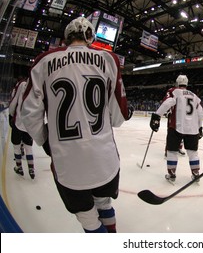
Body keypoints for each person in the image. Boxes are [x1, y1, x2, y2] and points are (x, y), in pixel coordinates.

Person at [21, 16, 133, 233]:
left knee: (88, 218)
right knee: (104, 203)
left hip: (68, 162)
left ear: (66, 38)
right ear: (90, 36)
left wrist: (45, 140)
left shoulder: (44, 61)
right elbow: (118, 117)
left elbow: (29, 112)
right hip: (104, 158)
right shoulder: (108, 59)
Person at [150, 75, 203, 183]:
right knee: (193, 153)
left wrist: (157, 116)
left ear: (177, 83)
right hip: (193, 129)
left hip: (176, 127)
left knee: (172, 151)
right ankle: (196, 173)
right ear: (187, 83)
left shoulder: (174, 91)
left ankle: (172, 174)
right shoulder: (194, 96)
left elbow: (168, 103)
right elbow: (200, 112)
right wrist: (200, 127)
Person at [8, 76, 35, 179]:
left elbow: (14, 101)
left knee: (16, 145)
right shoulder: (37, 86)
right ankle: (31, 169)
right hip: (29, 123)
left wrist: (11, 114)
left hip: (18, 121)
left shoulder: (22, 84)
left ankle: (19, 167)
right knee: (28, 146)